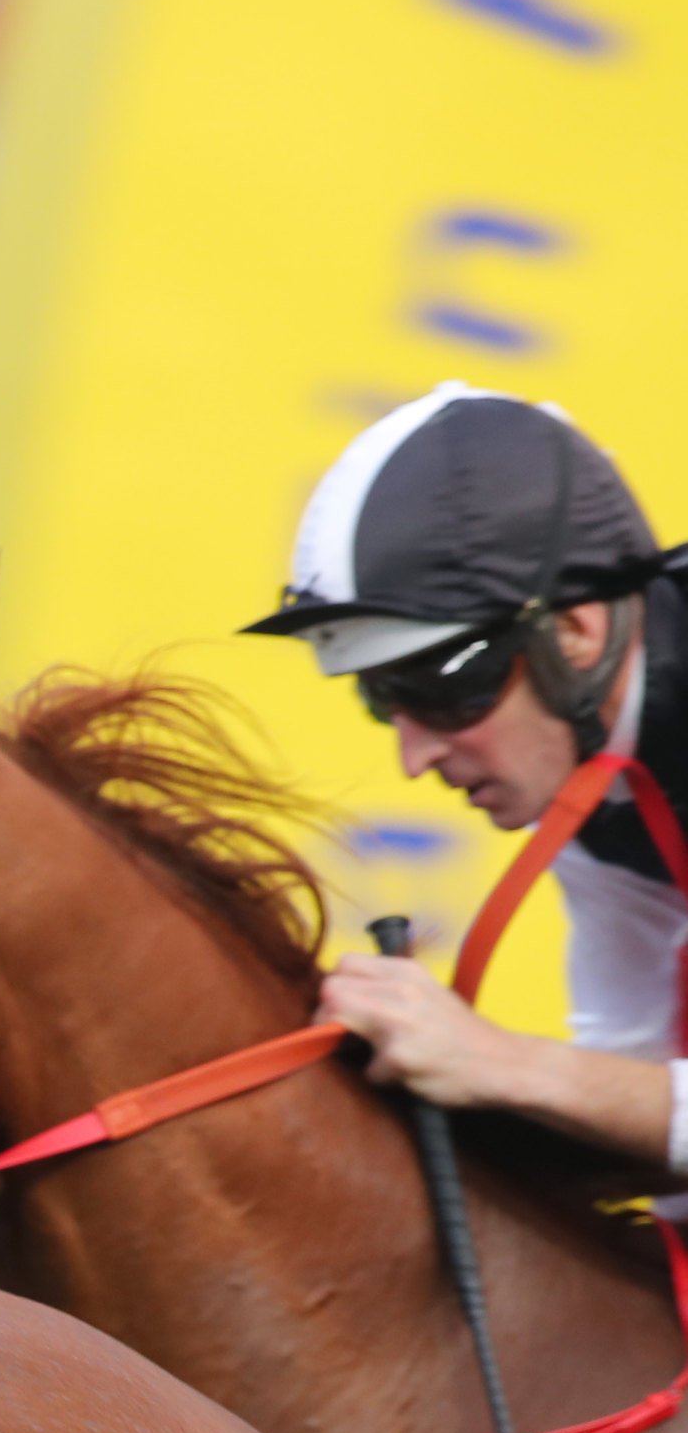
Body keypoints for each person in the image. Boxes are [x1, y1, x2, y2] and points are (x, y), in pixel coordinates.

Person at [255, 384, 688, 1171]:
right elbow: (633, 1070)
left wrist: (499, 1062)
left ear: (574, 631)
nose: (412, 757)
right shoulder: (582, 751)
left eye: (438, 688)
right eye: (380, 699)